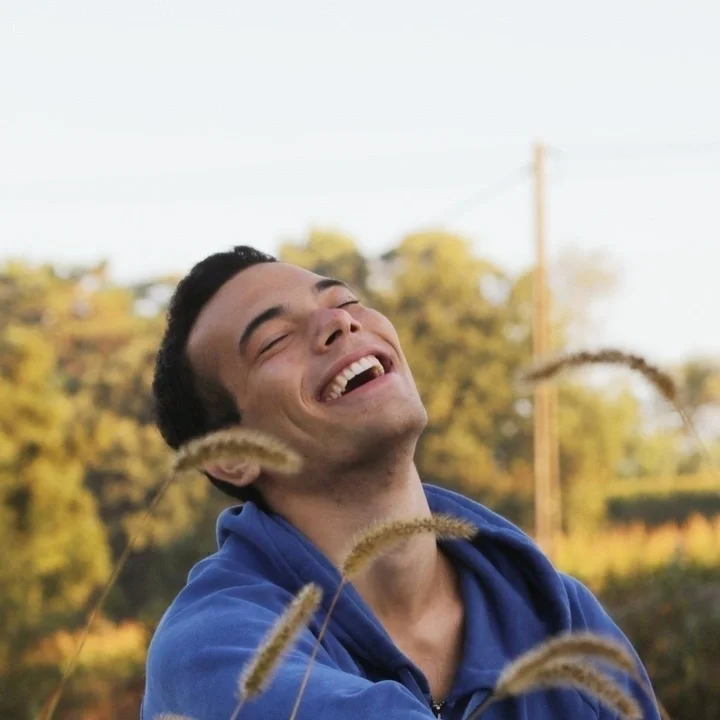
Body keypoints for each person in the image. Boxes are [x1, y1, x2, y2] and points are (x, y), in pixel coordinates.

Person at [142, 246, 660, 720]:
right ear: (231, 457)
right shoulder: (209, 648)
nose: (339, 322)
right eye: (274, 340)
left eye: (345, 301)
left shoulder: (562, 615)